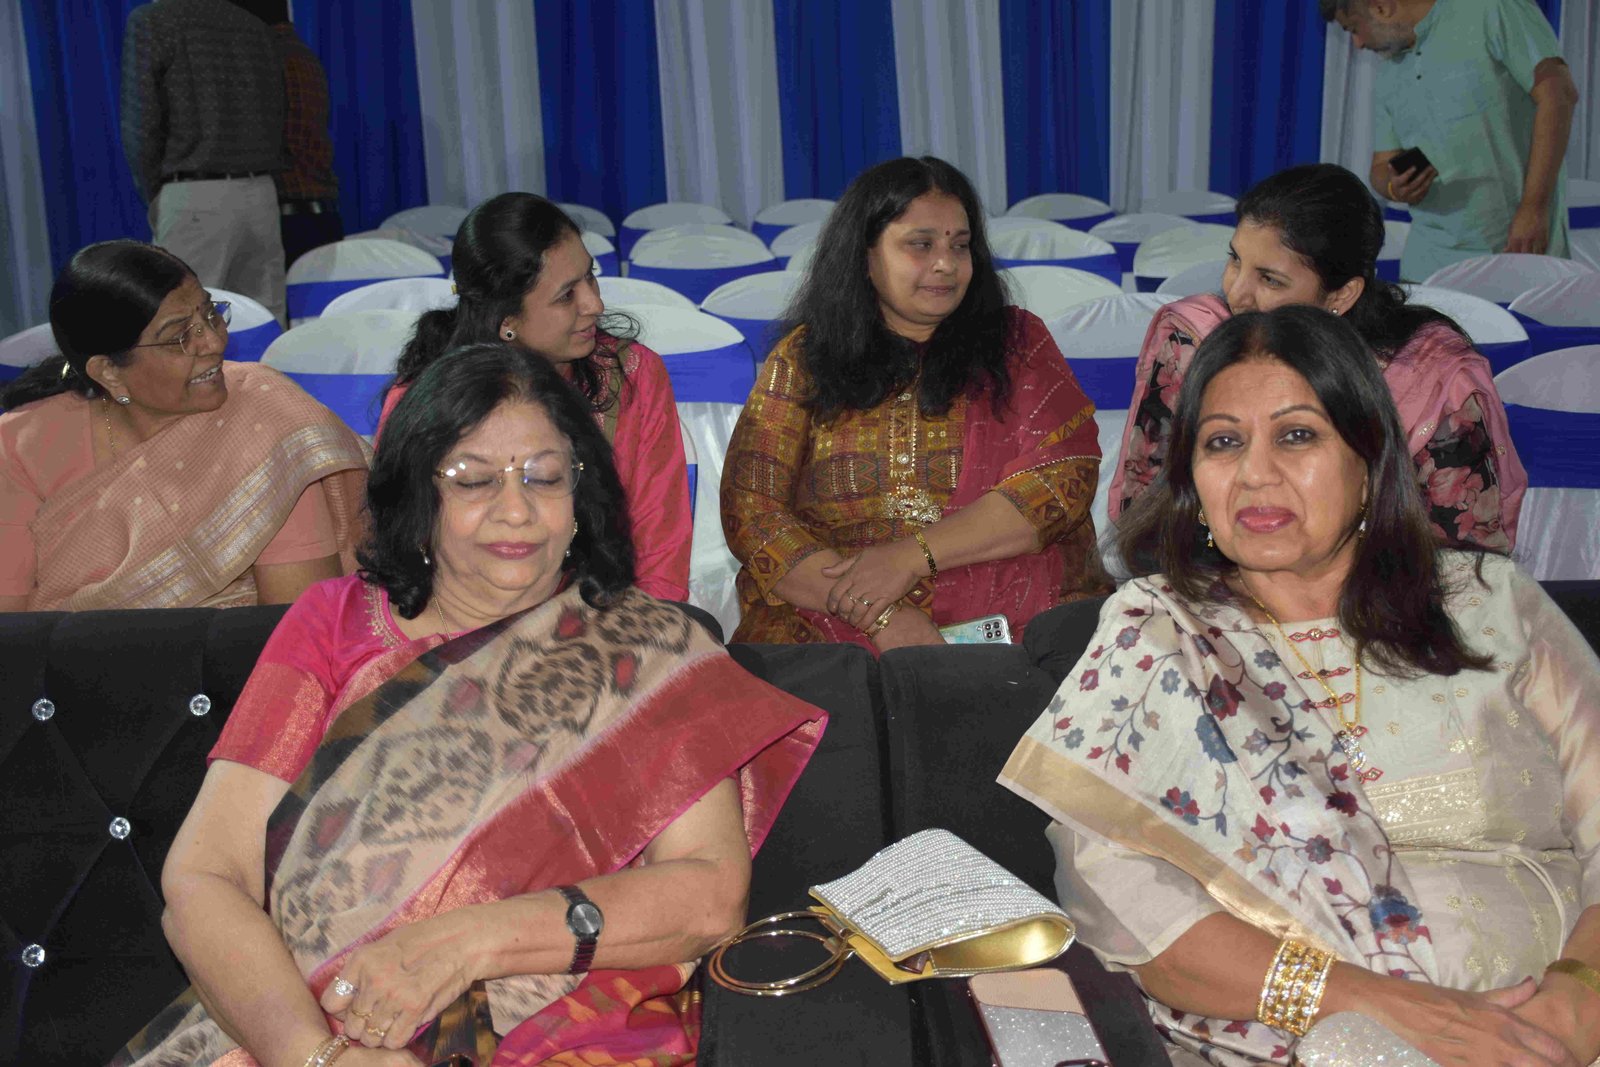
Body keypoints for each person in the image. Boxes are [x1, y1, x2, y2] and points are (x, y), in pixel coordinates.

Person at [111, 343, 826, 1067]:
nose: (516, 511)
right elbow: (205, 877)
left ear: (581, 493)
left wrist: (466, 940)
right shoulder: (335, 624)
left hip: (563, 1030)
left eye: (545, 477)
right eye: (474, 480)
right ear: (418, 497)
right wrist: (320, 1056)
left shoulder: (650, 650)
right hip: (313, 1027)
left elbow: (708, 895)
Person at [1002, 306, 1600, 1067]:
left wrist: (1580, 994)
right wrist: (1383, 1006)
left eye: (1296, 435)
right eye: (1223, 442)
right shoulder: (1157, 636)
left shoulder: (1493, 604)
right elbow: (1124, 898)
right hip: (1309, 1037)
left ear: (1368, 461)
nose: (1255, 473)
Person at [720, 156, 1110, 650]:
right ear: (865, 255)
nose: (946, 264)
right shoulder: (803, 359)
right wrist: (882, 617)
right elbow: (753, 511)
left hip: (1015, 624)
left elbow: (1060, 481)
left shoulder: (1017, 345)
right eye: (921, 245)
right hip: (831, 627)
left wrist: (908, 558)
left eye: (960, 245)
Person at [1110, 162, 1526, 552]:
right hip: (1212, 577)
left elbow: (1462, 548)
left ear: (1341, 295)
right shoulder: (1194, 343)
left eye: (1270, 279)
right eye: (1235, 260)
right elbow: (1146, 507)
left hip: (1380, 589)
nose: (1237, 293)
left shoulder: (1427, 375)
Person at [0, 240, 367, 612]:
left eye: (211, 314)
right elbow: (11, 625)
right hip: (71, 649)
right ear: (108, 371)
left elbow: (297, 618)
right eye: (179, 337)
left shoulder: (264, 416)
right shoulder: (18, 445)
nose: (214, 342)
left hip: (243, 646)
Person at [382, 193, 691, 603]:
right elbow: (404, 552)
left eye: (590, 276)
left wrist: (649, 630)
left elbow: (661, 551)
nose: (594, 304)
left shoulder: (632, 374)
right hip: (462, 621)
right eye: (566, 296)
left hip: (605, 614)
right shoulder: (421, 401)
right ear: (507, 320)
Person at [1320, 0, 1576, 278]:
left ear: (1380, 7)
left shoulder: (1493, 8)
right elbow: (1380, 167)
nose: (1358, 44)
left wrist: (1534, 208)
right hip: (1428, 265)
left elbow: (1558, 94)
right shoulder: (1388, 73)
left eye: (1354, 29)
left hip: (1518, 251)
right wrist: (1395, 187)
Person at [120, 0, 289, 323]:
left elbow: (140, 122)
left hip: (195, 194)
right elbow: (280, 112)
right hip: (261, 194)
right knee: (263, 321)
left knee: (182, 323)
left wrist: (156, 193)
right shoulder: (254, 25)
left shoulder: (154, 20)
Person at [235, 0, 345, 270]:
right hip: (316, 208)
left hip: (287, 213)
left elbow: (277, 139)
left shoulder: (268, 58)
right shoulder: (301, 54)